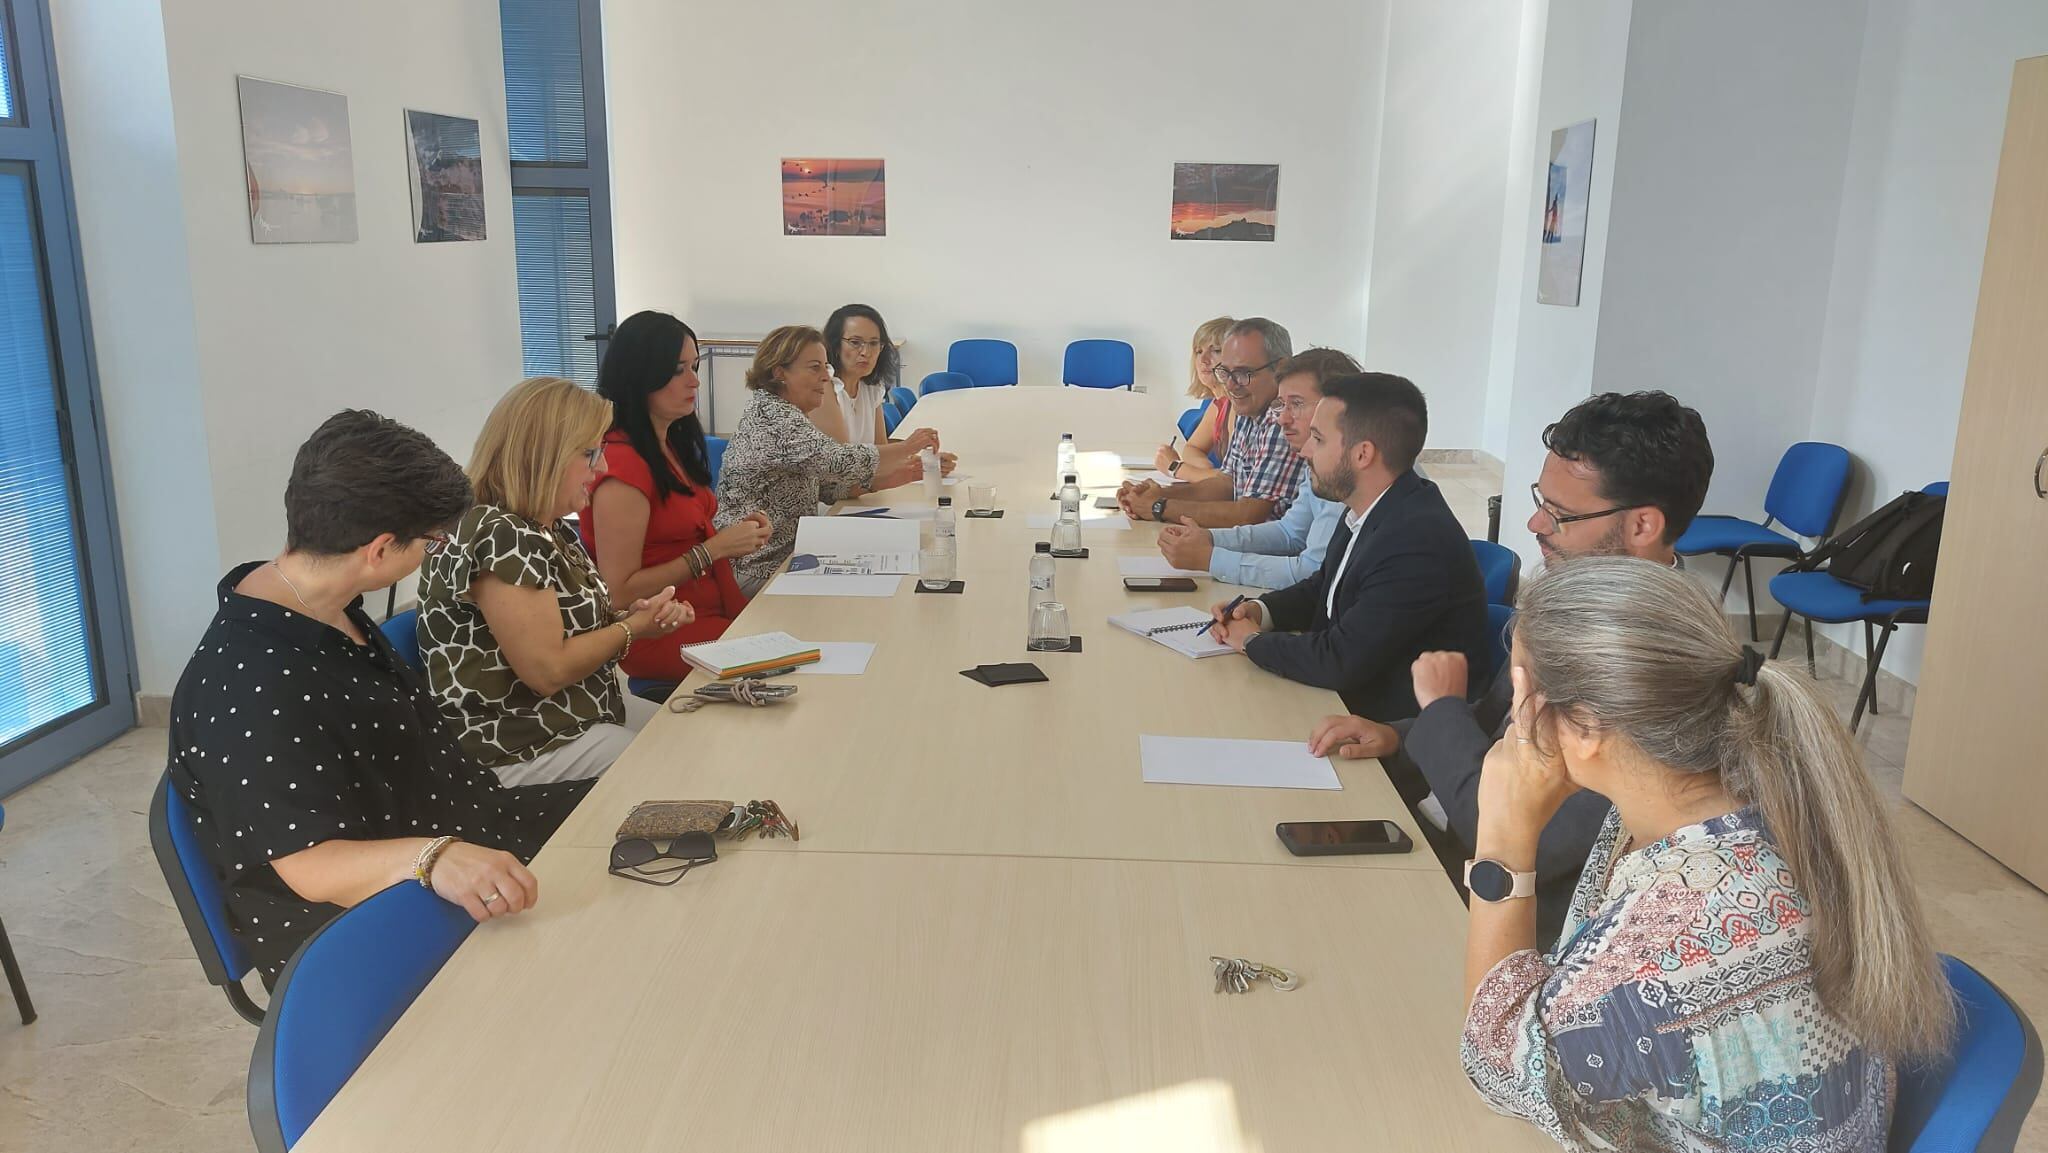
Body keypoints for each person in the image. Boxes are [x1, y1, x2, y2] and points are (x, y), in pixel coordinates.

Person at [1460, 558, 1952, 1150]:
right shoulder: (1777, 799)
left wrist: (1504, 839)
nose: (1515, 719)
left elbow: (1497, 1067)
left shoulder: (1653, 960)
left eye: (1520, 691)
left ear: (1586, 728)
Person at [167, 410, 594, 986]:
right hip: (367, 926)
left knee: (629, 806)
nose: (434, 551)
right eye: (430, 541)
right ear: (381, 549)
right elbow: (311, 867)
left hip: (460, 836)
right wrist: (437, 857)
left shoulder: (325, 608)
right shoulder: (245, 683)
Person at [1309, 391, 1713, 944]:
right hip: (1460, 856)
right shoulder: (1574, 599)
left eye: (1562, 514)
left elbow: (1521, 837)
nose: (1534, 522)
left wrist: (1442, 710)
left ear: (1643, 525)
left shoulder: (1655, 672)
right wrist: (1397, 736)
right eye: (1539, 499)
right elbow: (1499, 722)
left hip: (1517, 926)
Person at [419, 377, 691, 785]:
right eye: (589, 453)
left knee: (695, 740)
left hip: (570, 715)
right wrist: (630, 628)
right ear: (540, 456)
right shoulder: (499, 532)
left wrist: (630, 617)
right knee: (679, 767)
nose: (602, 466)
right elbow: (547, 669)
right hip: (517, 742)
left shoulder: (542, 526)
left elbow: (561, 626)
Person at [1209, 373, 1486, 720]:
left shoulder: (1416, 540)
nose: (1305, 452)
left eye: (1319, 439)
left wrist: (1252, 642)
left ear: (1362, 454)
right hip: (1343, 703)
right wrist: (1259, 611)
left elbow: (1341, 659)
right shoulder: (1369, 506)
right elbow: (1323, 587)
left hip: (1390, 737)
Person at [583, 311, 771, 688]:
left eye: (695, 366)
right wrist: (713, 549)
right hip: (664, 629)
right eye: (677, 370)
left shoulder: (668, 445)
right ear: (640, 376)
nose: (694, 381)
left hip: (709, 611)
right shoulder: (621, 464)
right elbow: (620, 590)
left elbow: (682, 536)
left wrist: (735, 538)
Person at [715, 325, 939, 593]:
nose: (826, 378)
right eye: (814, 368)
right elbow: (837, 460)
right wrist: (908, 447)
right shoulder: (774, 418)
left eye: (826, 367)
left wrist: (884, 481)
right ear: (779, 372)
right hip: (759, 567)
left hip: (791, 554)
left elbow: (822, 485)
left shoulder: (787, 411)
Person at [1155, 348, 1356, 589]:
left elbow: (1312, 572)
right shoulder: (1314, 458)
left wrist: (1211, 558)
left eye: (1297, 404)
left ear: (1335, 408)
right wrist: (1209, 538)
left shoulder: (1345, 469)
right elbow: (1289, 532)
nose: (1282, 418)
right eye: (1282, 405)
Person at [1117, 318, 1305, 528]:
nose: (1231, 385)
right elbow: (1226, 484)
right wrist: (1158, 494)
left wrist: (1159, 507)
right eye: (1225, 372)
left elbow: (1249, 515)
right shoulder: (1249, 408)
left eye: (1243, 373)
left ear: (1280, 368)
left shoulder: (1281, 420)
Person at [1152, 316, 1235, 481]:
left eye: (1216, 350)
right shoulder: (1218, 403)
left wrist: (1175, 468)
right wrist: (1204, 469)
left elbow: (1232, 481)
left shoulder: (1237, 407)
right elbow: (1192, 448)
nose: (1204, 360)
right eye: (1199, 351)